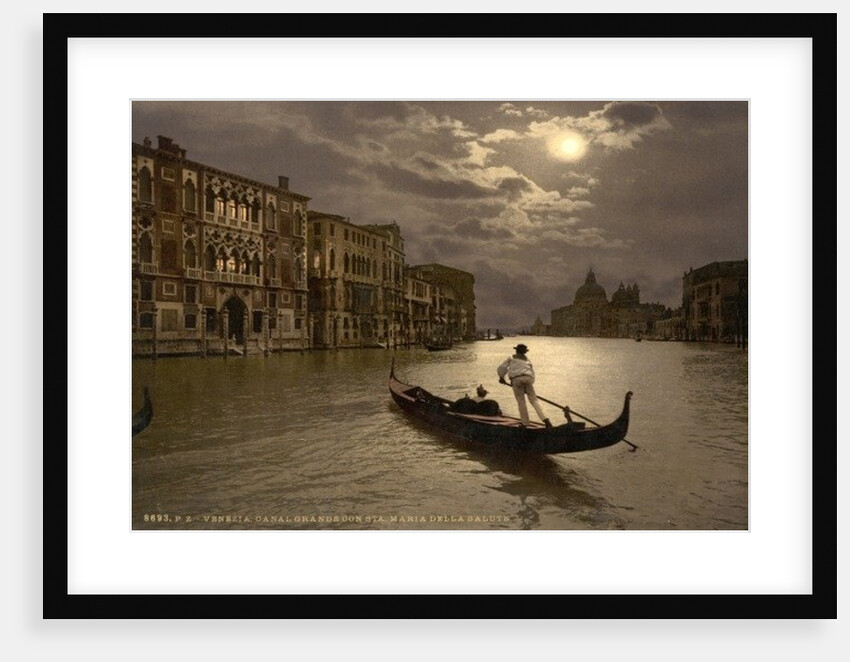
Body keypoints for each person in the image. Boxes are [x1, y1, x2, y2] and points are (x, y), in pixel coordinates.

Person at [497, 344, 552, 428]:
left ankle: (525, 423)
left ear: (516, 350)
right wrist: (528, 386)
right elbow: (532, 374)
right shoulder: (528, 360)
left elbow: (501, 367)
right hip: (528, 379)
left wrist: (501, 377)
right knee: (534, 400)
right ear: (525, 352)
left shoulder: (511, 357)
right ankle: (546, 420)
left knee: (521, 401)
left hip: (517, 379)